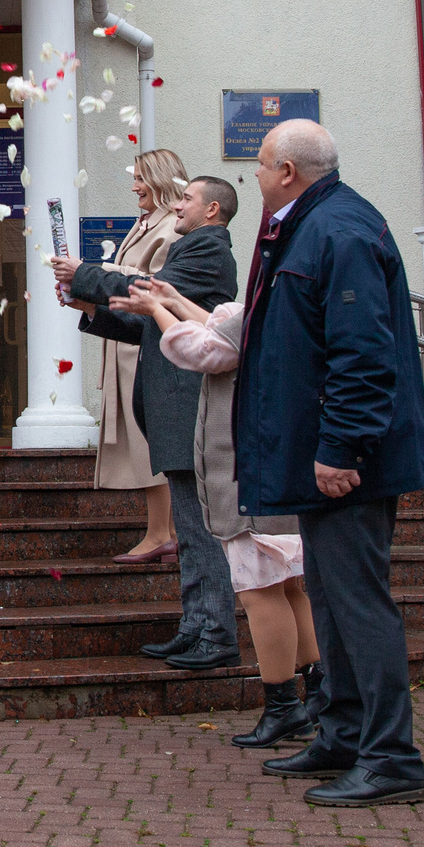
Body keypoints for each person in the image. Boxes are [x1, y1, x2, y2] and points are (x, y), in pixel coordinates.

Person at [235, 119, 424, 807]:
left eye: (259, 165)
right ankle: (344, 734)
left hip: (351, 463)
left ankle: (391, 757)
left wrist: (340, 447)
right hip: (326, 458)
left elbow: (362, 353)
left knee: (357, 605)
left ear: (288, 171)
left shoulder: (339, 230)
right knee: (331, 597)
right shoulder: (311, 225)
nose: (254, 176)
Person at [54, 176, 241, 667]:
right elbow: (148, 322)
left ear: (212, 210)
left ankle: (216, 634)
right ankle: (194, 625)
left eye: (187, 199)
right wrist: (90, 306)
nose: (177, 206)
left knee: (201, 529)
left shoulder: (208, 250)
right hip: (176, 408)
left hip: (189, 406)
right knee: (188, 525)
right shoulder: (193, 247)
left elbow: (155, 293)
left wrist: (85, 273)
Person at [137, 281, 322, 747]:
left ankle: (283, 707)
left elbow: (201, 349)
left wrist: (157, 308)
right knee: (290, 588)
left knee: (261, 591)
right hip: (276, 470)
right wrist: (175, 299)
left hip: (250, 477)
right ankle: (321, 696)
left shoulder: (275, 301)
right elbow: (223, 326)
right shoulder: (288, 307)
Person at [89, 150, 192, 561]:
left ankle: (160, 534)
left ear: (162, 180)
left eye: (141, 180)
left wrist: (96, 276)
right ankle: (162, 531)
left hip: (144, 348)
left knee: (149, 441)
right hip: (126, 344)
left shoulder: (172, 227)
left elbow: (159, 286)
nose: (134, 187)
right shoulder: (147, 222)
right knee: (138, 441)